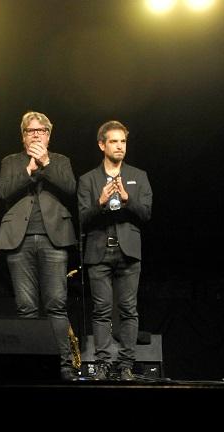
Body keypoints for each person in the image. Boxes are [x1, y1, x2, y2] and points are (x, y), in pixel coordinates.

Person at [0, 111, 79, 381]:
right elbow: (3, 192)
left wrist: (46, 162)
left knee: (56, 304)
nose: (36, 134)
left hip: (53, 239)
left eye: (41, 130)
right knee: (26, 307)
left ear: (49, 135)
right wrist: (29, 170)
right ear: (23, 136)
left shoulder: (61, 160)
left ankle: (63, 364)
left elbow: (70, 188)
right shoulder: (11, 161)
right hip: (18, 240)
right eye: (31, 131)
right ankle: (29, 362)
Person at [77, 120, 152, 381]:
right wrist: (99, 203)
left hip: (128, 252)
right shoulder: (88, 179)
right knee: (102, 311)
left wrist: (128, 199)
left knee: (129, 309)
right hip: (98, 252)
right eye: (114, 141)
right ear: (102, 144)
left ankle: (125, 365)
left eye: (123, 141)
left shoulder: (138, 175)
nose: (120, 146)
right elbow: (81, 218)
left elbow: (146, 214)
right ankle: (103, 364)